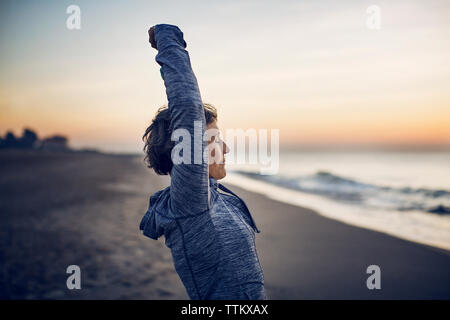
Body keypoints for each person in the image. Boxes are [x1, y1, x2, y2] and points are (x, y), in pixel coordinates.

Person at [140, 24, 266, 300]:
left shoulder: (214, 197)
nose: (226, 148)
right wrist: (167, 39)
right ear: (187, 150)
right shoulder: (192, 201)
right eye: (214, 139)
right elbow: (186, 106)